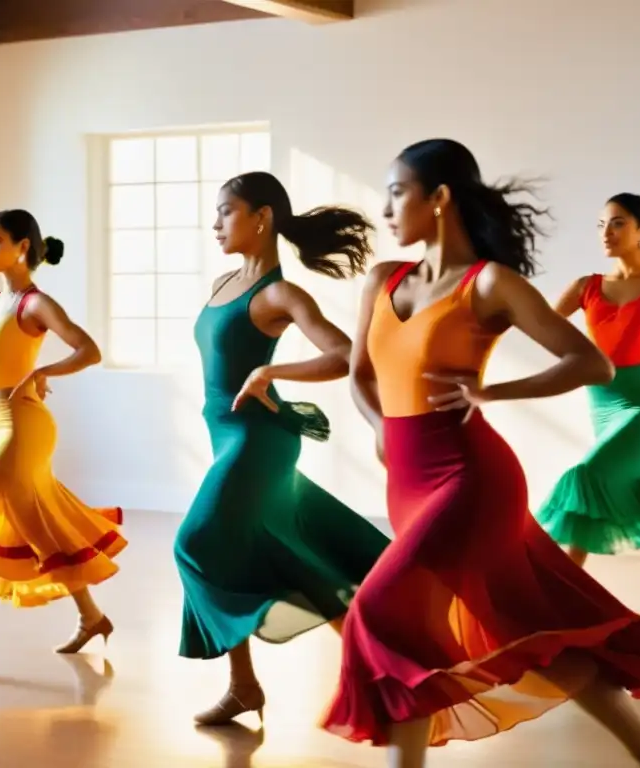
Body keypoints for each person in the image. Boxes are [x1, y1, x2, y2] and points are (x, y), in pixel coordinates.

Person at [320, 140, 640, 767]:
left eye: (397, 193)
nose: (384, 210)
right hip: (405, 481)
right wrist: (380, 426)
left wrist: (490, 389)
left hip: (470, 479)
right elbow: (360, 375)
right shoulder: (384, 280)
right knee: (522, 628)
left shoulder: (489, 283)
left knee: (379, 614)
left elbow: (590, 362)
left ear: (439, 199)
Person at [174, 171, 391, 726]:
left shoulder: (278, 293)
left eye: (226, 211)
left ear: (261, 216)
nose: (215, 222)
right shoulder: (224, 282)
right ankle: (245, 686)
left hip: (257, 441)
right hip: (226, 436)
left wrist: (270, 370)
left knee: (194, 543)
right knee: (273, 553)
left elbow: (344, 355)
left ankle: (379, 672)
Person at [0, 209, 125, 678]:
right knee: (38, 523)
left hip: (23, 425)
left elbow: (88, 349)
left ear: (23, 247)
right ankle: (91, 617)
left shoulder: (35, 304)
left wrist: (43, 372)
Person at [536, 193, 640, 575]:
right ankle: (566, 592)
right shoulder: (587, 286)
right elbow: (539, 327)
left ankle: (563, 590)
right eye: (602, 224)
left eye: (617, 223)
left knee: (589, 475)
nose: (606, 232)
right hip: (602, 406)